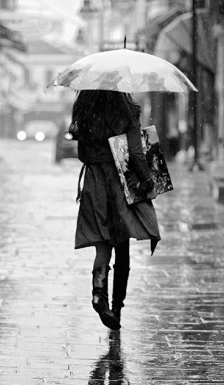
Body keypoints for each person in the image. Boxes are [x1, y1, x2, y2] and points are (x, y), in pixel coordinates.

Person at [70, 90, 160, 330]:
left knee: (102, 241)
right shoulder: (126, 109)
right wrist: (148, 181)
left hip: (93, 182)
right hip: (119, 182)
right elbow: (136, 153)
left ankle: (99, 293)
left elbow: (81, 154)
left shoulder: (85, 108)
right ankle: (117, 307)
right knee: (122, 245)